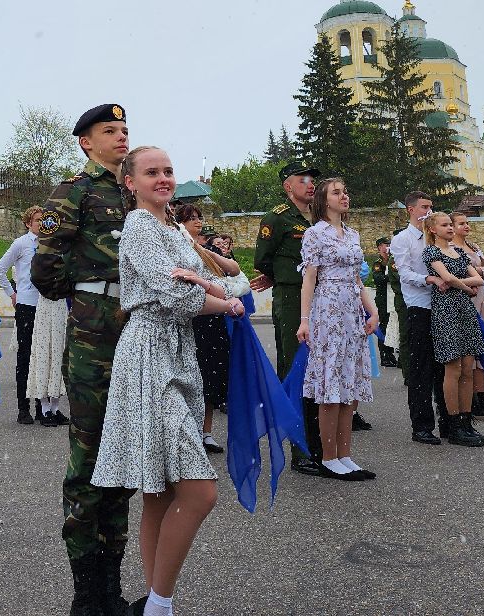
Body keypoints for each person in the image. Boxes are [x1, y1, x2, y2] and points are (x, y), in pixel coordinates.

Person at [92, 147, 246, 616]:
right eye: (151, 172)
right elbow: (177, 297)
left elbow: (228, 282)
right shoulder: (139, 226)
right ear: (130, 183)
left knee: (159, 490)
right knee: (199, 492)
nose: (163, 178)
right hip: (150, 352)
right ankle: (159, 603)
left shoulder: (174, 228)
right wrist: (217, 297)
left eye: (168, 171)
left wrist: (212, 288)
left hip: (178, 351)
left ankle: (157, 604)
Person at [29, 103, 133, 616]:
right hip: (95, 331)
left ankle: (111, 589)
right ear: (86, 142)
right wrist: (89, 296)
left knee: (125, 456)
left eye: (124, 130)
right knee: (89, 455)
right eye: (109, 131)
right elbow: (45, 268)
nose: (120, 136)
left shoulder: (134, 191)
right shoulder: (73, 191)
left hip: (137, 331)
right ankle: (86, 594)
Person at [295, 176, 377, 479]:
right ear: (323, 200)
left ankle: (345, 454)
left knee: (349, 382)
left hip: (352, 311)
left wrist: (373, 310)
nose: (344, 196)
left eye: (346, 191)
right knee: (330, 383)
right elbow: (309, 280)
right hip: (327, 310)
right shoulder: (315, 234)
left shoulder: (352, 234)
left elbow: (358, 279)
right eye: (337, 192)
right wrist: (305, 320)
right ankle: (328, 457)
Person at [252, 159, 323, 472]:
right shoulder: (278, 218)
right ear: (288, 186)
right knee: (297, 368)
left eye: (313, 178)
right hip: (293, 297)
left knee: (321, 369)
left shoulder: (320, 218)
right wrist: (280, 277)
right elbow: (263, 259)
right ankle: (300, 449)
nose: (310, 183)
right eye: (303, 178)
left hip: (325, 299)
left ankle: (321, 443)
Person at [423, 212, 484, 448]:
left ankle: (465, 420)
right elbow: (447, 276)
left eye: (451, 224)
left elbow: (479, 279)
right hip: (446, 311)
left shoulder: (459, 252)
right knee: (453, 368)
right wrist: (464, 286)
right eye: (445, 225)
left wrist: (458, 284)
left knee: (468, 368)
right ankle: (452, 424)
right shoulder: (432, 251)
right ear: (433, 229)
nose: (450, 228)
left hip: (464, 309)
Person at [174, 203, 237, 454]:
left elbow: (233, 269)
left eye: (199, 217)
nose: (198, 222)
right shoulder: (175, 247)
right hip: (192, 317)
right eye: (191, 218)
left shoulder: (204, 248)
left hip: (212, 320)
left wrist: (200, 248)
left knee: (210, 378)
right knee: (192, 377)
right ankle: (188, 433)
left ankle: (206, 431)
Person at [390, 190, 449, 445]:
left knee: (445, 366)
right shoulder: (403, 239)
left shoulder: (434, 237)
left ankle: (450, 420)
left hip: (443, 305)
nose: (429, 211)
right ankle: (422, 425)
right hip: (419, 306)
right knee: (421, 368)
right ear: (410, 209)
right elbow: (404, 273)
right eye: (424, 206)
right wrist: (429, 278)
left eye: (431, 206)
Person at [0, 206, 46, 425]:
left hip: (45, 305)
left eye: (43, 220)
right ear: (28, 223)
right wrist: (12, 294)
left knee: (43, 357)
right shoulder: (21, 244)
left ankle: (43, 407)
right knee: (25, 357)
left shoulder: (49, 244)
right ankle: (23, 408)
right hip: (26, 304)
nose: (40, 224)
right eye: (36, 220)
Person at [452, 212, 484, 421]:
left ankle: (481, 399)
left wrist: (477, 271)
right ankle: (469, 400)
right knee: (470, 352)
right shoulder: (452, 250)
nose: (466, 226)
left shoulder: (473, 247)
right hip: (467, 299)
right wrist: (481, 272)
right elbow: (460, 274)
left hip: (483, 299)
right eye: (461, 223)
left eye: (467, 223)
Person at [28, 249, 70, 429]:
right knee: (44, 352)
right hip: (46, 305)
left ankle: (55, 406)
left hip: (61, 306)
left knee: (59, 353)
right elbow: (37, 277)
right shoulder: (40, 254)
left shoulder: (66, 250)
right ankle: (44, 408)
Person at [369, 237, 399, 367]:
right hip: (383, 298)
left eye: (389, 244)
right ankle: (384, 355)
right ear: (379, 247)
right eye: (385, 245)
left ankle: (391, 353)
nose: (387, 247)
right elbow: (378, 278)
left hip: (392, 297)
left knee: (392, 325)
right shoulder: (378, 263)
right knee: (384, 325)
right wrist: (390, 276)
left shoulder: (394, 259)